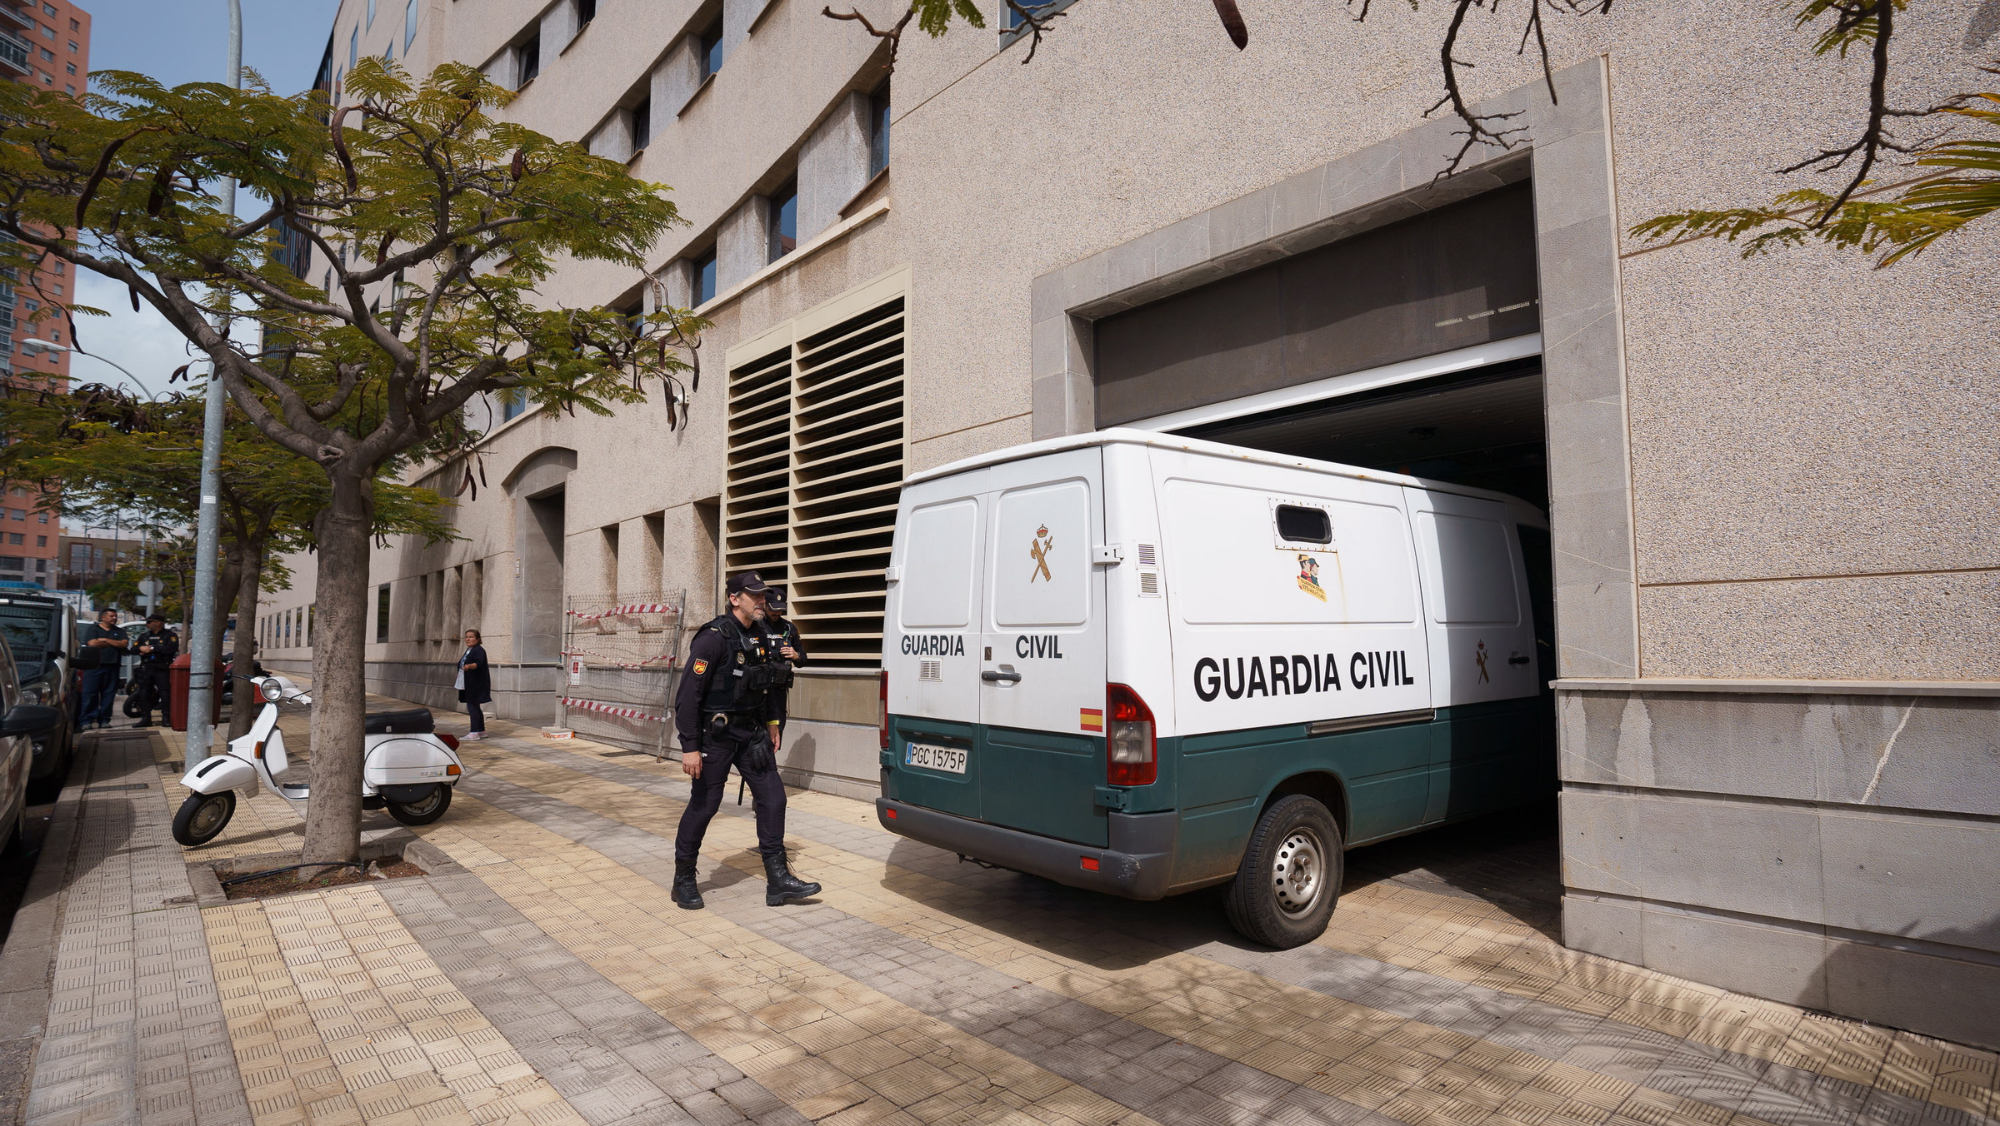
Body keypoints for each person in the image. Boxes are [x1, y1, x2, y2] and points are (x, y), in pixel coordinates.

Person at [670, 571, 820, 911]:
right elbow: (688, 698)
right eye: (754, 595)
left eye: (763, 595)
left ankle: (778, 880)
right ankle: (684, 880)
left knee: (773, 799)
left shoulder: (765, 634)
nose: (762, 600)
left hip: (752, 732)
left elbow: (767, 684)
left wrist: (772, 723)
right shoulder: (712, 638)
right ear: (735, 598)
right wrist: (690, 746)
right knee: (705, 805)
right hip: (716, 734)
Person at [760, 585, 807, 737]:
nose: (777, 613)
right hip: (758, 690)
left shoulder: (789, 628)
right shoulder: (755, 626)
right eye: (773, 609)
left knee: (776, 735)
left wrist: (796, 656)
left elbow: (803, 660)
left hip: (779, 692)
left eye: (780, 610)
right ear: (765, 605)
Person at [75, 608, 128, 730]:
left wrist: (104, 640)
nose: (114, 618)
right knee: (90, 694)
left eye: (115, 616)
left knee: (108, 695)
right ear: (103, 617)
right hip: (94, 667)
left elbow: (124, 644)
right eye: (111, 616)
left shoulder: (119, 631)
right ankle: (86, 720)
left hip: (112, 667)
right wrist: (114, 643)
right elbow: (92, 643)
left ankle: (104, 720)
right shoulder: (93, 629)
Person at [130, 615, 179, 728]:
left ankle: (166, 719)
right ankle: (145, 718)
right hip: (146, 668)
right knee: (143, 694)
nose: (147, 624)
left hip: (162, 668)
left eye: (149, 622)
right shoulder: (144, 636)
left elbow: (170, 649)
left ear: (158, 623)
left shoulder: (169, 635)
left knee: (165, 694)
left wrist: (152, 648)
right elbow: (133, 650)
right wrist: (140, 649)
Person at [457, 629, 491, 739]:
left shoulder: (479, 650)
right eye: (466, 637)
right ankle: (481, 730)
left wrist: (469, 666)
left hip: (475, 683)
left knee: (472, 706)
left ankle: (474, 732)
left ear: (477, 639)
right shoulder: (469, 650)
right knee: (475, 706)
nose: (468, 639)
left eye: (471, 637)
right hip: (468, 682)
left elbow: (478, 663)